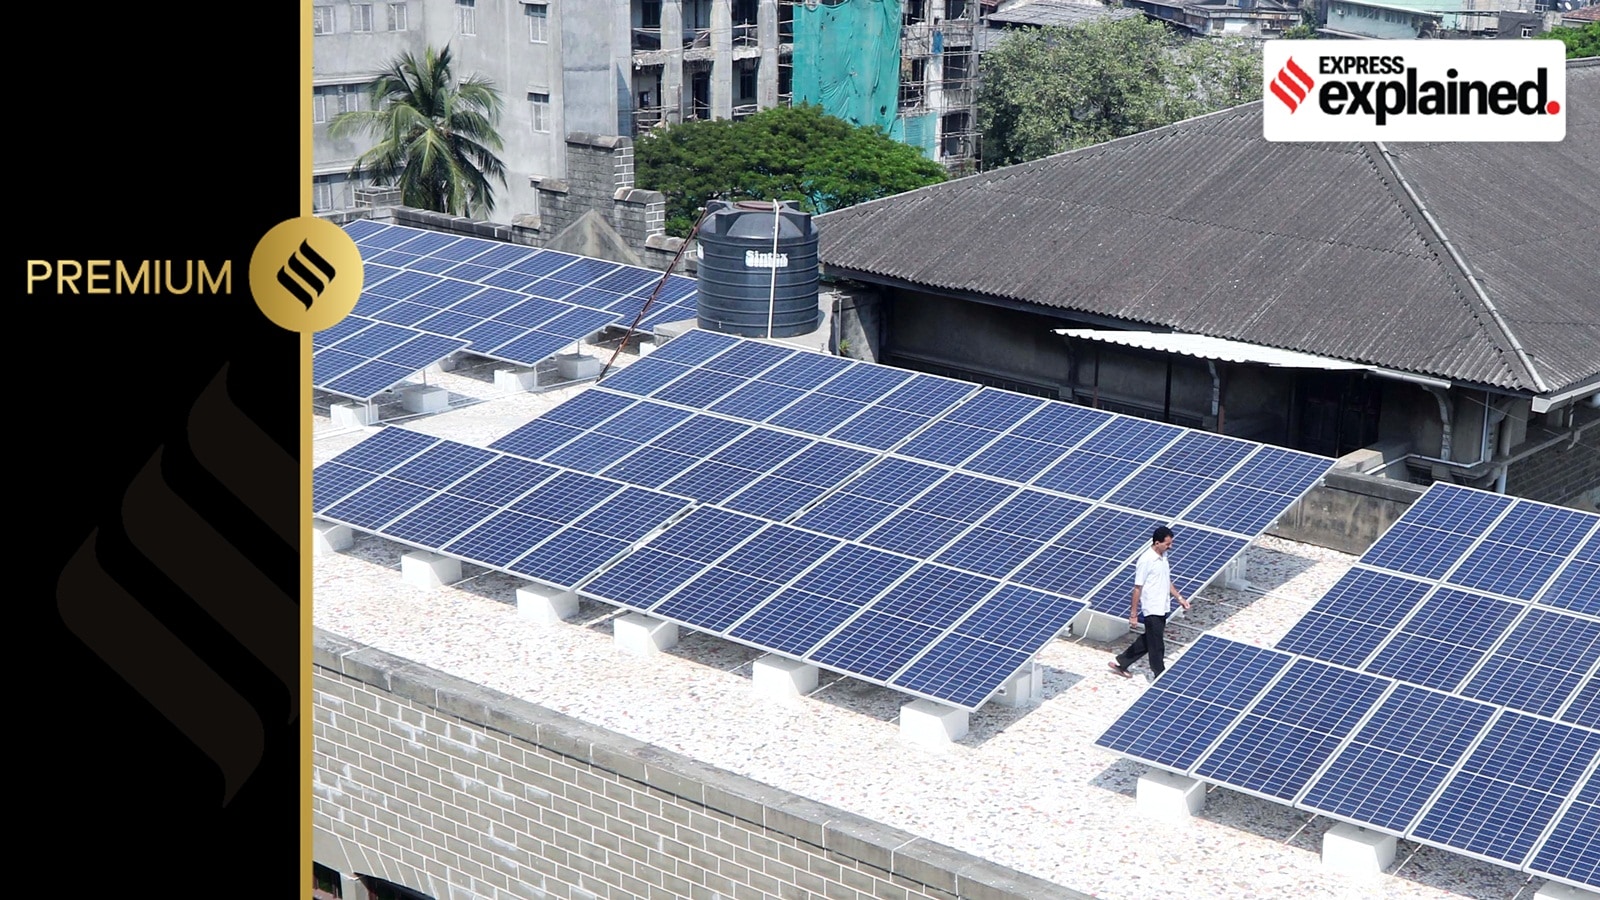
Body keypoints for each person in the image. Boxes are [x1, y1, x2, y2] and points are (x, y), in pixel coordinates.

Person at [1108, 526, 1190, 680]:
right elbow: (1137, 588)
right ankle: (1160, 674)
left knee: (1148, 639)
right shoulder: (1146, 560)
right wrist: (1133, 614)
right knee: (1157, 645)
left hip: (1163, 606)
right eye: (1167, 544)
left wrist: (1179, 598)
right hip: (1151, 608)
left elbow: (1166, 581)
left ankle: (1121, 662)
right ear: (1157, 542)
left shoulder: (1163, 556)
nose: (1170, 547)